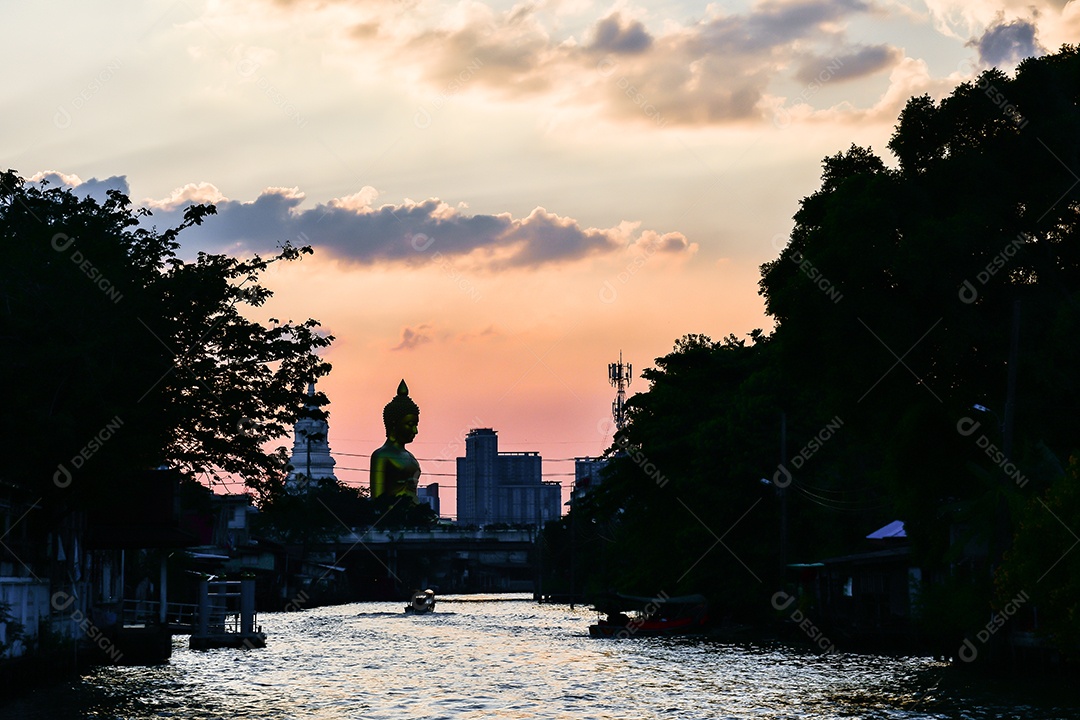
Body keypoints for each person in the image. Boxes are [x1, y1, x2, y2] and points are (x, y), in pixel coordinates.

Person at [370, 379, 421, 501]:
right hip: (393, 511)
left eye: (416, 425)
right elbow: (377, 500)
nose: (415, 431)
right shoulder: (381, 455)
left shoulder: (411, 457)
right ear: (394, 424)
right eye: (410, 424)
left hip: (414, 509)